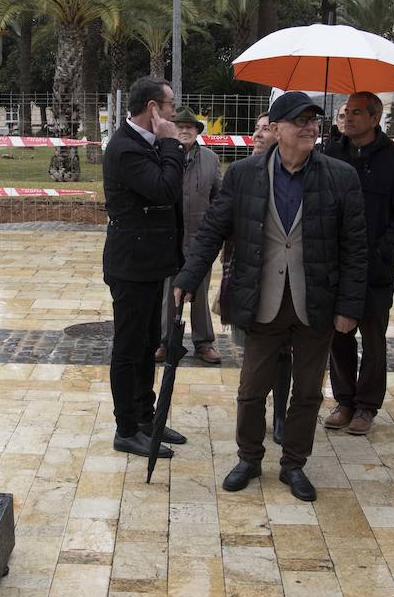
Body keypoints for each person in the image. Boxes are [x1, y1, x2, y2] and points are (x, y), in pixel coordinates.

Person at [173, 91, 367, 502]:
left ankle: (294, 463)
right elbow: (212, 229)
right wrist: (189, 277)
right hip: (261, 299)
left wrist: (349, 306)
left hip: (315, 302)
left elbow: (355, 247)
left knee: (309, 391)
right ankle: (248, 457)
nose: (311, 128)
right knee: (252, 388)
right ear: (276, 129)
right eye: (300, 121)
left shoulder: (340, 176)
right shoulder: (244, 174)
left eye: (315, 121)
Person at [321, 92, 394, 434]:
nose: (347, 118)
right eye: (345, 112)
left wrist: (383, 250)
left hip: (375, 268)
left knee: (373, 338)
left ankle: (367, 405)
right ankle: (344, 400)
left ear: (375, 118)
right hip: (336, 266)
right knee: (337, 334)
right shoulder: (329, 154)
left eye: (356, 113)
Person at [102, 76, 188, 458]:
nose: (175, 113)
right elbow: (166, 189)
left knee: (148, 343)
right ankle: (126, 428)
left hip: (152, 264)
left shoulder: (146, 144)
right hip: (131, 265)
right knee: (129, 347)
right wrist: (172, 143)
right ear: (153, 108)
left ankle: (146, 417)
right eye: (170, 105)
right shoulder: (126, 149)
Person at [219, 112, 293, 443]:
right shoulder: (240, 174)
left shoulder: (296, 176)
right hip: (246, 275)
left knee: (282, 354)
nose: (259, 134)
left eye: (266, 129)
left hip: (283, 283)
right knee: (252, 355)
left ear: (279, 133)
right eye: (257, 129)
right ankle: (253, 417)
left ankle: (280, 415)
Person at [159, 107, 223, 366]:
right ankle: (164, 341)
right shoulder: (162, 155)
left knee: (199, 291)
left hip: (200, 238)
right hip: (169, 238)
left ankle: (203, 342)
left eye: (190, 127)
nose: (184, 131)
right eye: (179, 126)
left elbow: (219, 197)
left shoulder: (211, 159)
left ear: (197, 131)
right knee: (167, 291)